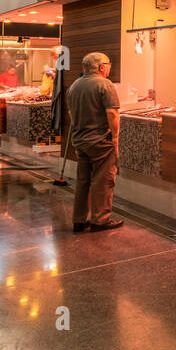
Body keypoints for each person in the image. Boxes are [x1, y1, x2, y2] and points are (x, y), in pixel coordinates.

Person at [66, 53, 124, 232]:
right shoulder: (105, 84)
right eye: (108, 64)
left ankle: (79, 219)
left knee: (83, 180)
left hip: (80, 141)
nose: (109, 68)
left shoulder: (74, 85)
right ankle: (100, 219)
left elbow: (71, 114)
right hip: (100, 141)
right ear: (100, 67)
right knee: (103, 181)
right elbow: (112, 113)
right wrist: (115, 138)